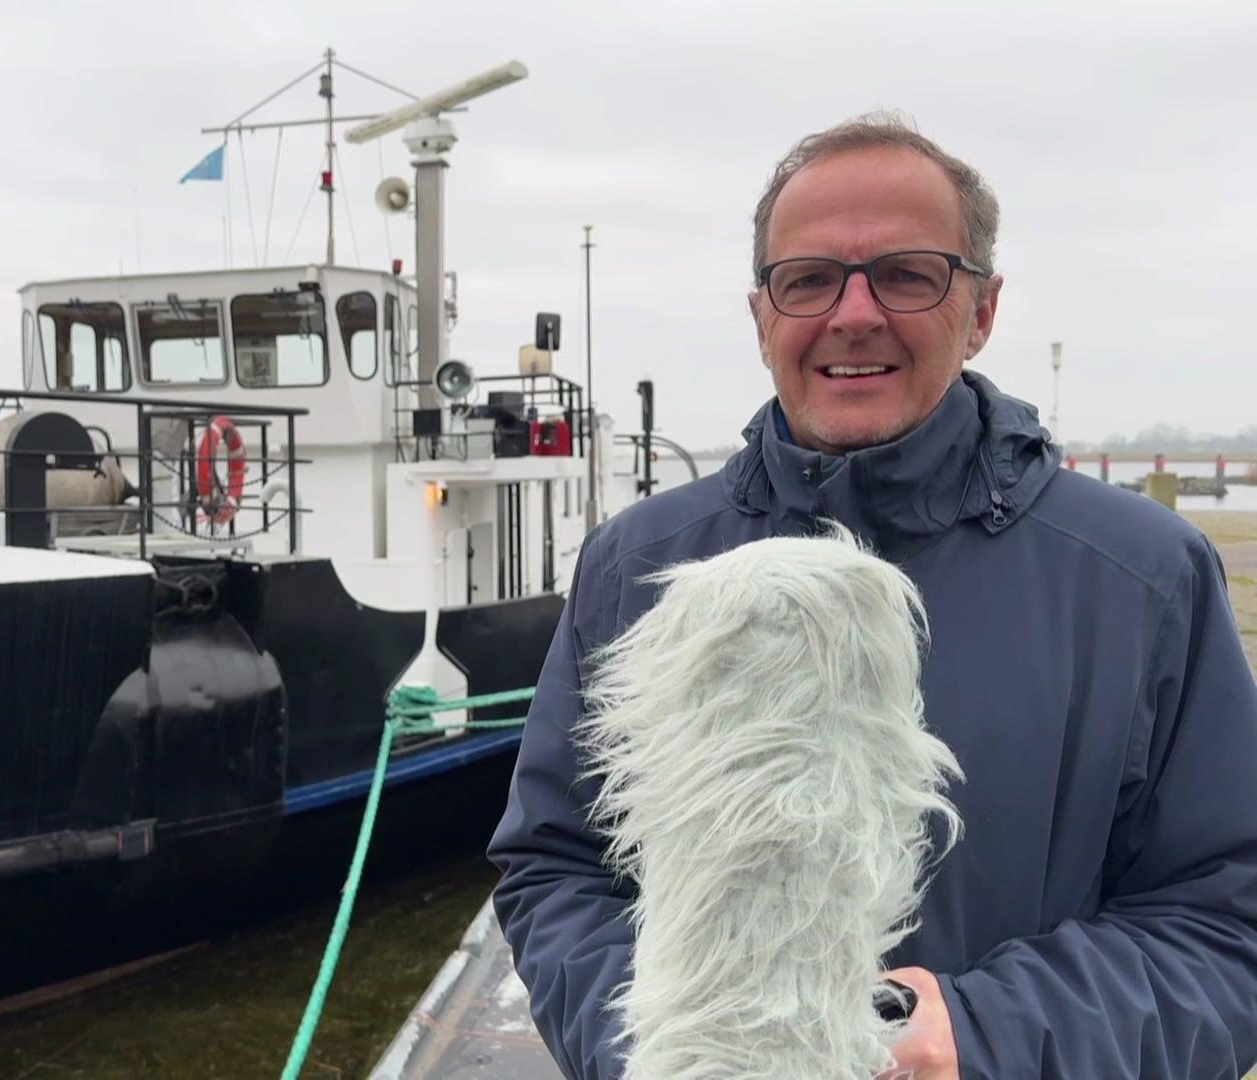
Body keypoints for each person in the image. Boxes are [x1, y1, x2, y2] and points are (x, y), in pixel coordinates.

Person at [487, 113, 1257, 1079]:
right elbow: (557, 867)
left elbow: (1226, 921)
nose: (854, 313)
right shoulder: (634, 562)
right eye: (809, 279)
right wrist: (668, 1049)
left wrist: (983, 1037)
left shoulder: (1142, 574)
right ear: (762, 316)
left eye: (906, 274)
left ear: (981, 309)